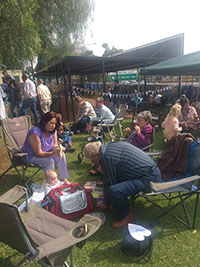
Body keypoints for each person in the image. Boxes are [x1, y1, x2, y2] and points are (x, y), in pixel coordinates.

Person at [83, 141, 161, 228]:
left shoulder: (106, 157)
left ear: (95, 155)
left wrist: (106, 202)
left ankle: (126, 215)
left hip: (149, 178)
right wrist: (106, 195)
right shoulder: (108, 147)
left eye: (93, 160)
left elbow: (110, 181)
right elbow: (110, 176)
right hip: (148, 172)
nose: (94, 163)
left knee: (115, 191)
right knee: (113, 189)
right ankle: (118, 205)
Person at [21, 111, 70, 184]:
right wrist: (52, 153)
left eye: (55, 123)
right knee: (48, 161)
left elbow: (54, 145)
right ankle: (51, 182)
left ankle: (63, 179)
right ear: (44, 122)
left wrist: (59, 149)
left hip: (47, 152)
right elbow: (38, 153)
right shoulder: (35, 133)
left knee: (61, 155)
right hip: (31, 156)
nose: (53, 126)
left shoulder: (53, 131)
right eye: (51, 123)